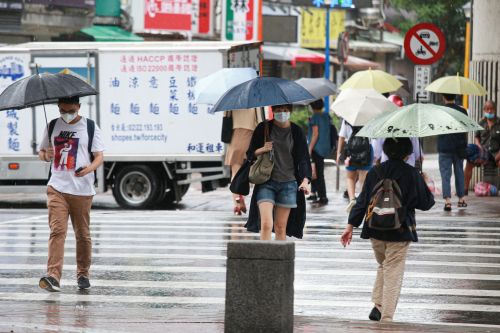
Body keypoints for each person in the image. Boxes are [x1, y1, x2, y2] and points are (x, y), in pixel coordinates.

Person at [340, 138, 435, 322]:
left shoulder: (375, 171)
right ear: (408, 153)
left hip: (375, 229)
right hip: (400, 230)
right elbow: (426, 203)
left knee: (384, 265)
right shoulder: (411, 173)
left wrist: (350, 225)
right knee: (392, 271)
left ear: (385, 150)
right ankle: (387, 319)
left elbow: (362, 202)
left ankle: (378, 305)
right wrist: (421, 180)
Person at [38, 96, 105, 292]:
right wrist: (46, 155)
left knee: (82, 235)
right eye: (62, 111)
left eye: (70, 110)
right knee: (57, 231)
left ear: (78, 107)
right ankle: (53, 276)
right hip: (57, 187)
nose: (66, 115)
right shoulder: (52, 126)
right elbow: (42, 152)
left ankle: (83, 273)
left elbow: (100, 156)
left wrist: (89, 169)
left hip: (82, 190)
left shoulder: (90, 127)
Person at [245, 104, 312, 240]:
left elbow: (303, 159)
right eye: (279, 110)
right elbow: (250, 154)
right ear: (273, 111)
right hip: (266, 182)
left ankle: (279, 260)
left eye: (285, 110)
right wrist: (263, 149)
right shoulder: (263, 128)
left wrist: (305, 181)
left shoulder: (296, 131)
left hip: (289, 184)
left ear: (290, 111)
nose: (282, 113)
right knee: (266, 224)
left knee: (281, 227)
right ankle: (265, 259)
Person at [224, 108, 260, 215]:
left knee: (235, 171)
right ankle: (241, 195)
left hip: (234, 134)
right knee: (246, 172)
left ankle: (236, 204)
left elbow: (226, 116)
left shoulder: (232, 97)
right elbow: (259, 119)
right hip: (250, 134)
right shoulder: (255, 96)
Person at [437, 93, 468, 211]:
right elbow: (466, 128)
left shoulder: (440, 111)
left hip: (444, 147)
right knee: (459, 172)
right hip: (459, 147)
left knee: (445, 175)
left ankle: (448, 201)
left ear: (443, 97)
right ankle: (461, 199)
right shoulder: (462, 111)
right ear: (455, 97)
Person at [337, 120, 373, 212]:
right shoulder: (370, 116)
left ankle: (352, 199)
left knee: (350, 177)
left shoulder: (348, 117)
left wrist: (338, 153)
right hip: (366, 149)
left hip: (351, 150)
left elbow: (342, 136)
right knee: (363, 178)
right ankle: (362, 200)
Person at [464, 100, 500, 194]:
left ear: (495, 110)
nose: (489, 111)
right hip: (484, 152)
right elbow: (477, 137)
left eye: (491, 109)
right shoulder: (481, 123)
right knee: (469, 163)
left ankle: (497, 188)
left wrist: (498, 155)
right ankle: (464, 189)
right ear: (484, 110)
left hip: (497, 153)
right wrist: (478, 145)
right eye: (487, 109)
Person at [307, 99, 331, 206]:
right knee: (317, 172)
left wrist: (309, 148)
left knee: (317, 173)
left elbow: (315, 134)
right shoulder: (326, 116)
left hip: (316, 148)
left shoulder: (315, 117)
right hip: (325, 147)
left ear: (312, 106)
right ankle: (316, 194)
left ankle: (323, 196)